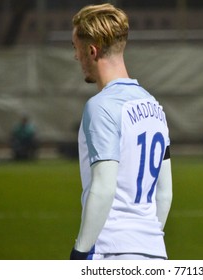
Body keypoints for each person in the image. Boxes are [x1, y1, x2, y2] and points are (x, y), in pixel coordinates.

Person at [70, 3, 173, 260]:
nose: (75, 57)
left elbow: (103, 187)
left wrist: (79, 253)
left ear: (91, 51)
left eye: (76, 48)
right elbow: (165, 193)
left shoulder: (101, 107)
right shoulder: (154, 106)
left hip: (111, 251)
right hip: (154, 253)